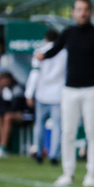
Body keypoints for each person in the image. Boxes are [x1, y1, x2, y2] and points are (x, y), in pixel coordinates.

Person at [36, 0, 94, 187]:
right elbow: (55, 49)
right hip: (70, 89)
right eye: (79, 9)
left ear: (91, 12)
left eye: (86, 9)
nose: (82, 13)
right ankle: (67, 173)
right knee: (68, 131)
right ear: (73, 12)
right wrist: (43, 55)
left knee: (91, 132)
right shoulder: (68, 33)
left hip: (92, 89)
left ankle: (91, 173)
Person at [24, 29, 67, 165]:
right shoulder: (64, 53)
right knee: (57, 126)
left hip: (42, 94)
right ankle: (54, 155)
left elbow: (35, 73)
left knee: (40, 125)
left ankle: (39, 152)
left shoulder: (40, 52)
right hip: (58, 94)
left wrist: (29, 93)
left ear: (46, 39)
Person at [0, 72, 30, 158]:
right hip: (13, 114)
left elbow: (14, 108)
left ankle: (3, 147)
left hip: (26, 115)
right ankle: (0, 145)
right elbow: (2, 107)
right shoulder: (5, 91)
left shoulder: (17, 89)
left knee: (7, 117)